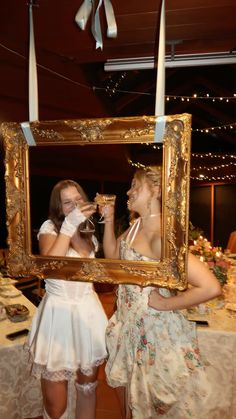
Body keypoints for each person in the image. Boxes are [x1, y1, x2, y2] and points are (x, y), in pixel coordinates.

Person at [101, 166, 221, 419]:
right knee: (134, 403)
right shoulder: (136, 226)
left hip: (154, 334)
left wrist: (166, 304)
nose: (128, 191)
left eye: (135, 186)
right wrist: (109, 220)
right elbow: (112, 258)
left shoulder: (159, 236)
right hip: (130, 326)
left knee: (154, 407)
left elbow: (210, 286)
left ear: (155, 190)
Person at [26, 180, 108, 419]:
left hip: (88, 314)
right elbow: (51, 267)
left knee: (87, 387)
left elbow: (91, 263)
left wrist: (105, 221)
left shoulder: (88, 231)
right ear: (58, 207)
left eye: (78, 200)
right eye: (67, 202)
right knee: (56, 404)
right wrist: (69, 226)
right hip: (58, 317)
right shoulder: (49, 228)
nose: (74, 206)